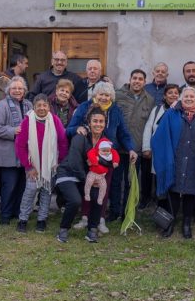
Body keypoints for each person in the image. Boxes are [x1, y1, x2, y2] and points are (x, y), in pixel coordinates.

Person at [66, 82, 138, 232]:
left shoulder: (116, 110)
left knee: (103, 188)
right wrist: (77, 128)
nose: (104, 98)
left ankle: (100, 219)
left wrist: (131, 149)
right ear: (95, 95)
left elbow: (123, 133)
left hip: (107, 156)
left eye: (107, 95)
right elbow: (69, 129)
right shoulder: (84, 107)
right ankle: (85, 217)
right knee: (88, 187)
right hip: (88, 155)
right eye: (101, 94)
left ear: (111, 96)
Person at [152, 86, 195, 239]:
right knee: (174, 192)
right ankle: (169, 224)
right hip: (175, 159)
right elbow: (159, 135)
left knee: (190, 194)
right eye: (186, 96)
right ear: (181, 98)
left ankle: (186, 224)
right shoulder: (171, 113)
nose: (189, 98)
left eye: (192, 96)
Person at [54, 107, 109, 243]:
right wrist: (88, 179)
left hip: (86, 177)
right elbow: (74, 161)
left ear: (104, 124)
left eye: (101, 121)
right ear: (89, 123)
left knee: (98, 197)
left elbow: (106, 161)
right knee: (75, 200)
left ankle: (92, 230)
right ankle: (63, 229)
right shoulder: (80, 136)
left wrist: (96, 171)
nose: (98, 124)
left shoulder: (105, 141)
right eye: (95, 121)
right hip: (68, 173)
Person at [15, 94, 68, 233]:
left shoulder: (54, 120)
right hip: (33, 165)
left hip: (50, 165)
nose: (42, 108)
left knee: (46, 191)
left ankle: (41, 219)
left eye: (45, 105)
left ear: (49, 107)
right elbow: (20, 145)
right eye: (39, 105)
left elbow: (63, 142)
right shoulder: (27, 121)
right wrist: (28, 166)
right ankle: (23, 219)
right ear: (34, 107)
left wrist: (59, 161)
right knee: (30, 191)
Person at [0, 76, 32, 225]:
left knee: (22, 186)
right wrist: (14, 131)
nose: (17, 91)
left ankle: (17, 212)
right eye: (14, 88)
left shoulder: (29, 105)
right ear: (9, 90)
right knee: (9, 186)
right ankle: (5, 216)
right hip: (8, 154)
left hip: (25, 154)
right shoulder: (2, 105)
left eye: (20, 88)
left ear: (24, 90)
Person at [116, 69, 155, 218]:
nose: (137, 81)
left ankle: (127, 211)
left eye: (140, 79)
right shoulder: (118, 95)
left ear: (145, 82)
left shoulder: (149, 100)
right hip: (118, 147)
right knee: (116, 181)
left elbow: (150, 125)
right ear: (130, 79)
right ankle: (114, 211)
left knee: (131, 182)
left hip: (136, 148)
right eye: (135, 78)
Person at [141, 84, 180, 208]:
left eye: (175, 93)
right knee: (160, 179)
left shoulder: (182, 110)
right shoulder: (157, 110)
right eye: (170, 93)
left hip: (175, 152)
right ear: (164, 96)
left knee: (174, 181)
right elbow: (148, 128)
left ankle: (172, 210)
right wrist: (146, 147)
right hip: (159, 152)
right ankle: (161, 210)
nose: (173, 95)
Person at [84, 139, 119, 204]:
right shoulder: (96, 152)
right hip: (93, 173)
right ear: (99, 149)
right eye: (103, 151)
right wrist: (94, 161)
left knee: (104, 187)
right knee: (88, 182)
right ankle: (87, 194)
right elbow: (90, 153)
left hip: (102, 176)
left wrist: (115, 162)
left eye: (107, 151)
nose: (106, 152)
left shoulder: (110, 155)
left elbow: (115, 154)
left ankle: (100, 199)